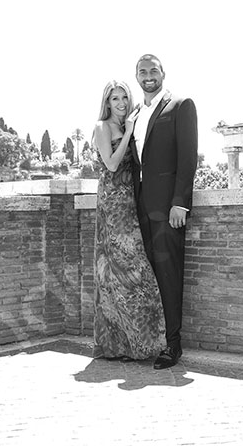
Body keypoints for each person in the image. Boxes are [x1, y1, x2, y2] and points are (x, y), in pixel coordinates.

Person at [131, 54, 198, 370]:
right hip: (140, 208)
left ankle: (173, 346)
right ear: (137, 76)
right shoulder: (134, 114)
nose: (148, 76)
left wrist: (180, 202)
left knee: (169, 277)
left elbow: (187, 158)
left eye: (153, 70)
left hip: (168, 210)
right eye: (142, 72)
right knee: (149, 278)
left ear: (163, 74)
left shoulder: (181, 105)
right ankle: (151, 340)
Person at [92, 80, 165, 360]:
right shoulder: (103, 127)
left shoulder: (126, 127)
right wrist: (129, 133)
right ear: (107, 103)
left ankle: (135, 342)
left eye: (124, 97)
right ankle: (118, 344)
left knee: (131, 274)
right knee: (123, 271)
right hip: (113, 205)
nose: (121, 103)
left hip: (132, 200)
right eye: (114, 99)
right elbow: (110, 164)